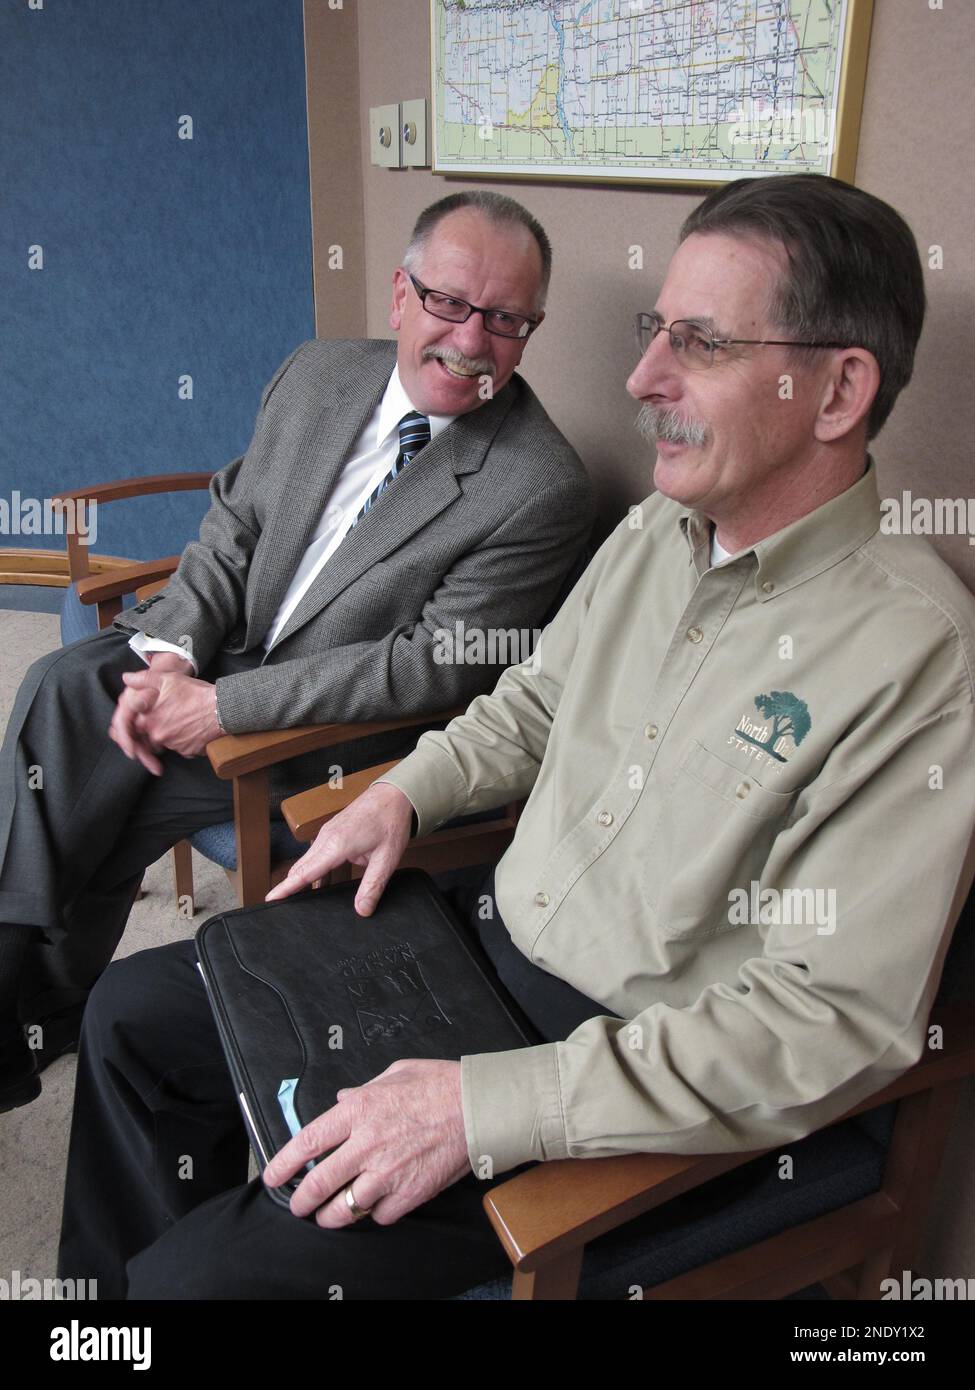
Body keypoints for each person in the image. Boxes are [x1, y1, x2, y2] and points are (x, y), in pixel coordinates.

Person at [57, 173, 975, 1300]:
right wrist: (405, 792)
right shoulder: (657, 532)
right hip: (480, 942)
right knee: (131, 1019)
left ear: (838, 392)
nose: (643, 381)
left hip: (631, 1082)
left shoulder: (918, 653)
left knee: (199, 1284)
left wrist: (480, 1107)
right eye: (656, 332)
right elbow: (531, 701)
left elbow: (827, 1023)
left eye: (702, 343)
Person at [0, 191, 593, 1112]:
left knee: (106, 777)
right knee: (65, 691)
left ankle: (21, 1008)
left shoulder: (538, 484)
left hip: (329, 737)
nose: (472, 342)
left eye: (506, 319)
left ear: (530, 329)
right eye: (448, 303)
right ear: (400, 294)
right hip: (224, 656)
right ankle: (29, 998)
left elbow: (432, 663)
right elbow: (234, 526)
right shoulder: (318, 372)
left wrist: (223, 708)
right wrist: (171, 657)